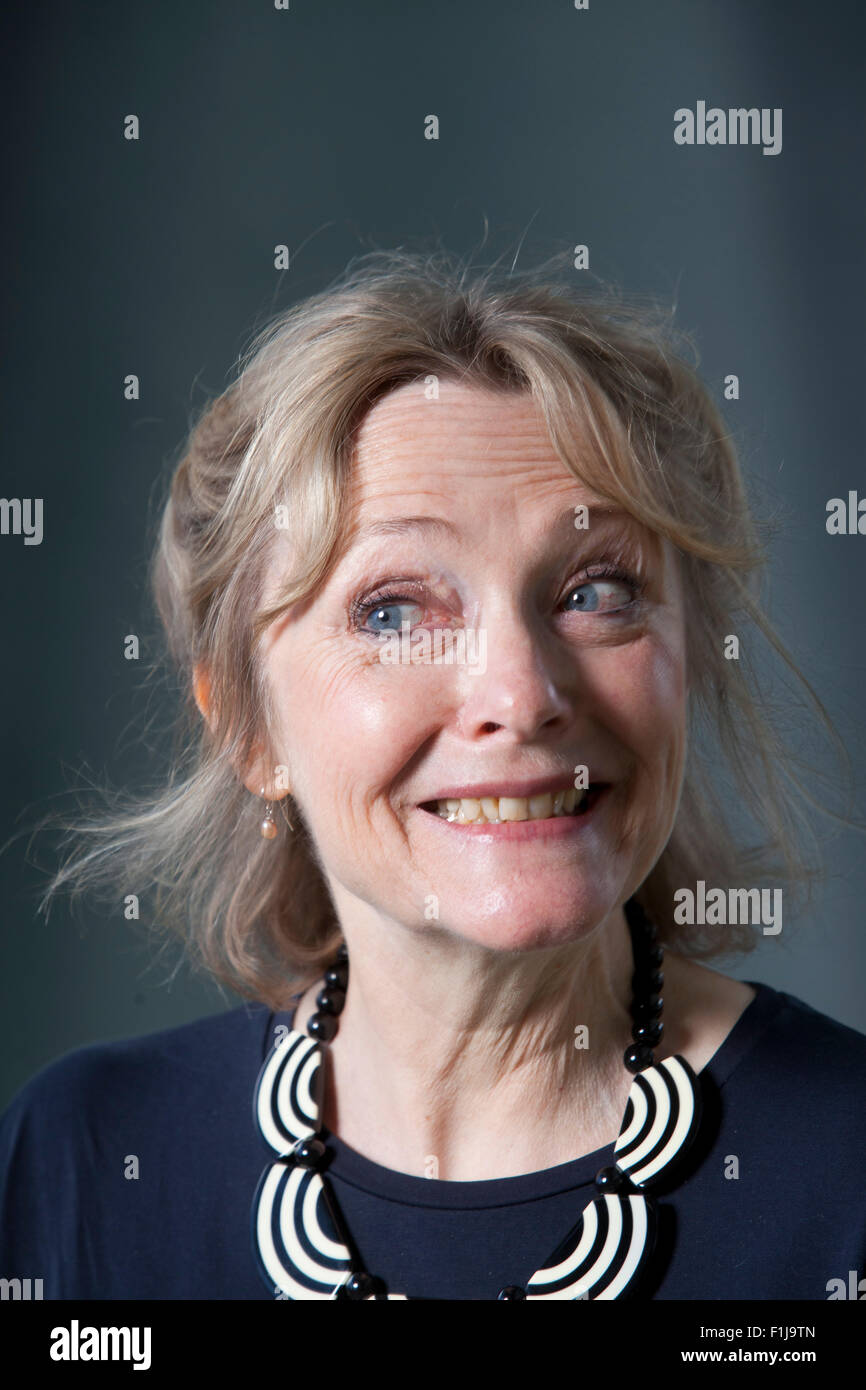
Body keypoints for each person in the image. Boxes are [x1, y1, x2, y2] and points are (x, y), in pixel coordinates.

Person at [1, 249, 864, 1301]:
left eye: (594, 590)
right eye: (393, 611)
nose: (521, 690)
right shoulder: (77, 1165)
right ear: (247, 729)